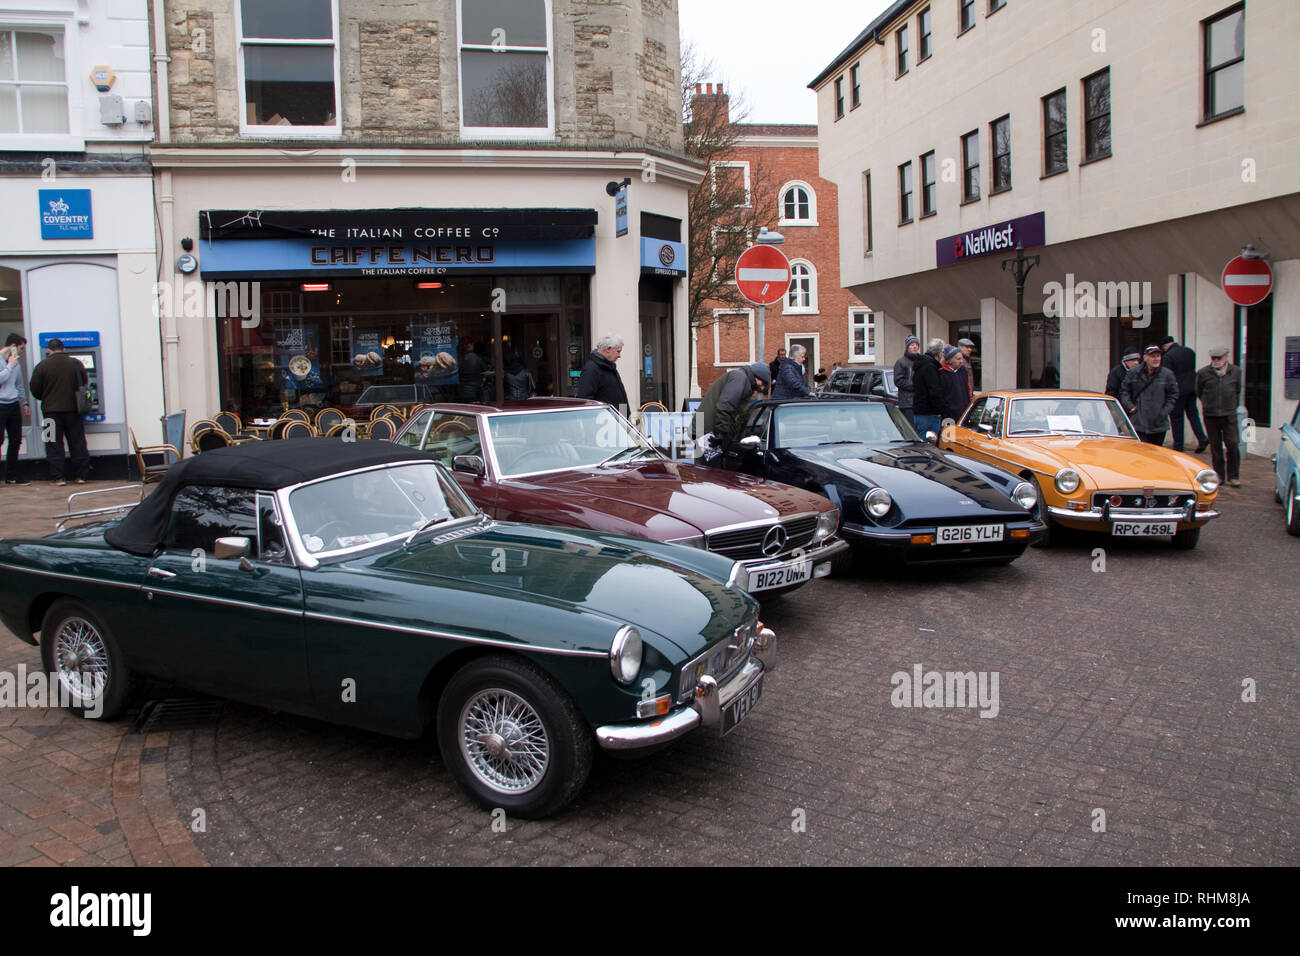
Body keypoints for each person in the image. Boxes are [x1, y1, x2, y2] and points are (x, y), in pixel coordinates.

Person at [28, 338, 90, 485]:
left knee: (52, 443)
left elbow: (35, 389)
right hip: (74, 411)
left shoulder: (42, 366)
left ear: (49, 351)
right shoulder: (76, 363)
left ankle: (58, 477)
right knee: (77, 442)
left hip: (50, 412)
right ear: (63, 349)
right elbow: (84, 382)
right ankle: (81, 475)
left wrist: (47, 397)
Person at [1196, 346, 1242, 486]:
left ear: (1226, 358)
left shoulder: (1236, 372)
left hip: (1229, 414)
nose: (1216, 361)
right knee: (1215, 446)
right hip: (1211, 414)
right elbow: (1199, 390)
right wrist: (1207, 403)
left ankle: (1233, 476)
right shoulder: (1203, 373)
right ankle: (1219, 475)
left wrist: (1231, 404)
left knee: (1232, 444)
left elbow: (1237, 389)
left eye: (1219, 358)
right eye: (1213, 358)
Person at [700, 362, 770, 454]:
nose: (762, 387)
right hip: (708, 433)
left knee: (710, 466)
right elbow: (725, 406)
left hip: (709, 431)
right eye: (763, 383)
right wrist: (721, 434)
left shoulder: (744, 381)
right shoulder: (740, 378)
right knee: (707, 467)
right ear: (756, 377)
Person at [1159, 335, 1209, 452]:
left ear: (1166, 346)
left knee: (1176, 417)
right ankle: (1201, 437)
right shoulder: (1189, 352)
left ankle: (1178, 445)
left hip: (1178, 390)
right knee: (1193, 414)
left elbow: (1167, 376)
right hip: (1192, 388)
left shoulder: (1168, 356)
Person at [1120, 344, 1178, 445]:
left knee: (1155, 454)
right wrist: (1130, 407)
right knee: (1141, 453)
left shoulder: (1167, 374)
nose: (1156, 359)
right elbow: (1124, 391)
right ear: (1145, 358)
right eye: (1153, 356)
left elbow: (1173, 394)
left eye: (1158, 356)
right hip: (1139, 422)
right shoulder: (1134, 372)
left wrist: (1164, 411)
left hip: (1158, 424)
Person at [1, 333, 31, 484]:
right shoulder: (3, 361)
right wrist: (9, 366)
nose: (21, 352)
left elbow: (19, 385)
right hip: (0, 405)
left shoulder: (17, 364)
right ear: (12, 347)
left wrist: (24, 403)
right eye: (21, 348)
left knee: (15, 440)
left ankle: (11, 476)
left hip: (13, 405)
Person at [576, 334, 629, 411]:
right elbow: (586, 400)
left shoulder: (609, 367)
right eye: (618, 351)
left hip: (617, 420)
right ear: (608, 349)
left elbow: (619, 397)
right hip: (605, 421)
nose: (619, 355)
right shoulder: (591, 369)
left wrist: (625, 417)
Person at [911, 339, 945, 436]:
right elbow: (934, 391)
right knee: (929, 444)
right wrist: (939, 409)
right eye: (942, 352)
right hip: (929, 413)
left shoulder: (921, 364)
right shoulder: (930, 367)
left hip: (920, 411)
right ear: (939, 353)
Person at [893, 334, 920, 426]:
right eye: (912, 345)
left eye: (916, 345)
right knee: (911, 426)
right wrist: (915, 386)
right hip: (907, 403)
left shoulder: (921, 361)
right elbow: (899, 381)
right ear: (907, 347)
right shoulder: (901, 362)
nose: (915, 347)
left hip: (919, 401)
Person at [939, 345, 968, 423]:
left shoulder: (963, 371)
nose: (961, 361)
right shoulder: (941, 374)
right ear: (950, 360)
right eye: (958, 359)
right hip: (948, 417)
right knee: (949, 435)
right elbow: (940, 396)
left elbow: (968, 390)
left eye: (962, 358)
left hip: (964, 415)